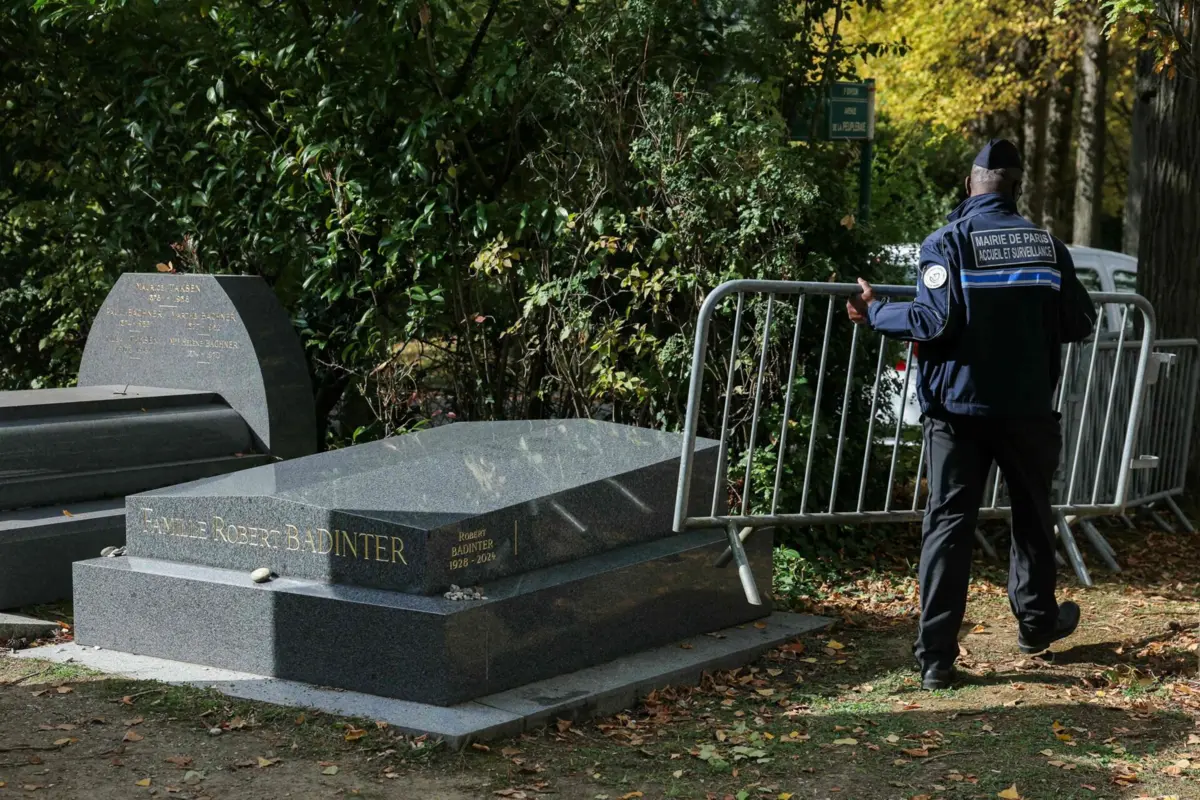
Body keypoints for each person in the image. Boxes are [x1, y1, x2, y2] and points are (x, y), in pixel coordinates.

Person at [845, 139, 1098, 690]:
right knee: (1032, 516)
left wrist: (876, 312)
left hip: (958, 413)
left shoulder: (948, 242)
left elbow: (933, 323)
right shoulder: (1049, 247)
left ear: (969, 186)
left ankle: (936, 658)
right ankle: (1036, 625)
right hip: (1029, 410)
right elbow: (1080, 322)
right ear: (1015, 189)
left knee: (949, 528)